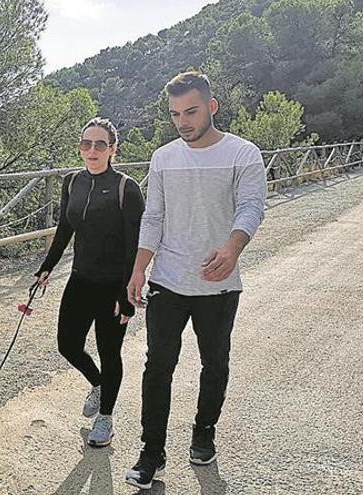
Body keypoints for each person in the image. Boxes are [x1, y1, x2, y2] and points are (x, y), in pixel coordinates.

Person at [123, 72, 267, 490]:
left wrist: (232, 248)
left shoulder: (244, 153)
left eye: (191, 111)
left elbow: (252, 206)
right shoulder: (164, 157)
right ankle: (152, 452)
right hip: (167, 281)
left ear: (211, 107)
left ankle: (204, 432)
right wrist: (138, 267)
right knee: (157, 368)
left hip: (219, 285)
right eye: (175, 114)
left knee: (215, 364)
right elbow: (155, 216)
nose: (183, 121)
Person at [35, 117, 145, 448]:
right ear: (80, 148)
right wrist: (47, 267)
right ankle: (98, 384)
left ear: (113, 149)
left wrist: (127, 296)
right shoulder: (72, 183)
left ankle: (106, 420)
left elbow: (134, 245)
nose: (92, 150)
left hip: (114, 285)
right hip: (80, 280)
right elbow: (64, 230)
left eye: (100, 144)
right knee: (67, 344)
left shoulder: (128, 188)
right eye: (86, 144)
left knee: (110, 352)